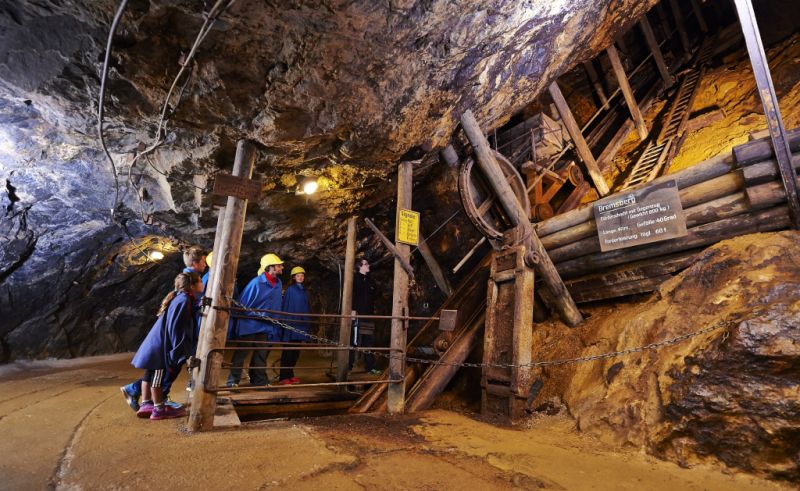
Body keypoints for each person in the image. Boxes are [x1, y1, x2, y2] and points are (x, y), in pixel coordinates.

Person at [120, 245, 207, 411]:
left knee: (155, 371)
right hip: (165, 342)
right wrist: (177, 350)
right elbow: (176, 325)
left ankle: (145, 399)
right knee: (164, 371)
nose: (205, 264)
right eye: (203, 261)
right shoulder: (187, 287)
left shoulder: (185, 291)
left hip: (162, 340)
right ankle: (159, 403)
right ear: (195, 263)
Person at [130, 271, 202, 420]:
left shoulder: (181, 298)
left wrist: (197, 306)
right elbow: (175, 327)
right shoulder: (184, 300)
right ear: (192, 286)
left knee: (150, 374)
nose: (203, 283)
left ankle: (146, 403)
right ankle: (159, 409)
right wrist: (176, 352)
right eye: (200, 281)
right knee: (158, 376)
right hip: (162, 345)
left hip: (156, 341)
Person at [227, 253, 283, 387]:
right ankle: (232, 381)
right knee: (242, 353)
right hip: (250, 324)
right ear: (270, 267)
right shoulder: (256, 283)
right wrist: (260, 314)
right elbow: (241, 305)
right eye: (279, 265)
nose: (282, 267)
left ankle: (259, 381)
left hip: (266, 325)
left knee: (261, 354)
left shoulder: (278, 284)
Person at [278, 266, 312, 385]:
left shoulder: (303, 291)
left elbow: (306, 308)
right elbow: (286, 307)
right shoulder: (290, 290)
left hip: (300, 326)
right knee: (288, 352)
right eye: (298, 276)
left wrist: (307, 325)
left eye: (302, 275)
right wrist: (286, 325)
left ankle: (290, 375)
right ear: (293, 277)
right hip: (291, 325)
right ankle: (283, 377)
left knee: (295, 352)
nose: (301, 277)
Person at [350, 257, 380, 375]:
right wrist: (352, 310)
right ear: (359, 266)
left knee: (368, 341)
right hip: (357, 315)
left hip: (368, 315)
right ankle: (347, 367)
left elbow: (376, 295)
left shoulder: (371, 281)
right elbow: (350, 295)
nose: (368, 266)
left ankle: (370, 367)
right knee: (354, 341)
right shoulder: (354, 279)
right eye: (366, 264)